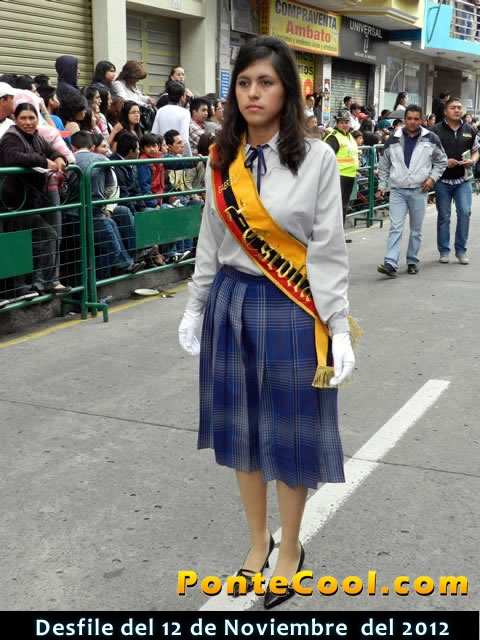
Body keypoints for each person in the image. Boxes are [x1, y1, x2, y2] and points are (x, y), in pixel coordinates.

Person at [177, 35, 356, 610]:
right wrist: (195, 303)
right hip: (231, 301)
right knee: (243, 430)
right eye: (244, 82)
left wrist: (339, 325)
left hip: (291, 308)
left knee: (291, 432)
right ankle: (259, 542)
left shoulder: (318, 158)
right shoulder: (220, 157)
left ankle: (291, 547)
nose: (253, 93)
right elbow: (211, 239)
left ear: (287, 92)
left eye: (266, 82)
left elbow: (327, 249)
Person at [0, 103, 71, 298]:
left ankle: (36, 285)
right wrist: (43, 161)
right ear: (15, 119)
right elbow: (14, 157)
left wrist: (59, 159)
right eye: (23, 118)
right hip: (12, 204)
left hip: (27, 203)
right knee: (27, 241)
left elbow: (52, 151)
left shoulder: (37, 137)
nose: (28, 122)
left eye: (32, 118)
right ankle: (23, 288)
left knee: (28, 241)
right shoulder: (11, 137)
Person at [376, 105, 447, 277]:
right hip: (398, 190)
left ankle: (412, 260)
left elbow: (441, 161)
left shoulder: (431, 138)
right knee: (395, 227)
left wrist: (432, 178)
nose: (412, 122)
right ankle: (390, 262)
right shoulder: (393, 138)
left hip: (419, 190)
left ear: (422, 120)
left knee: (416, 229)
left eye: (416, 119)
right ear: (405, 119)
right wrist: (382, 185)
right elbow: (384, 164)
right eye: (409, 118)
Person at [432, 97, 479, 265]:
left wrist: (472, 161)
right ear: (445, 111)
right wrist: (444, 162)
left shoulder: (470, 129)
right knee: (444, 216)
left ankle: (461, 251)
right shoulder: (435, 130)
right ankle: (444, 251)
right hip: (442, 181)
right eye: (453, 107)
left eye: (459, 107)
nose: (457, 110)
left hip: (463, 180)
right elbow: (428, 153)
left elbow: (476, 150)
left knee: (465, 213)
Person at [324, 110, 359, 244]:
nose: (345, 125)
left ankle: (339, 235)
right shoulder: (333, 137)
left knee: (343, 206)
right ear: (337, 123)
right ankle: (332, 237)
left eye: (347, 122)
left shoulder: (349, 136)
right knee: (335, 207)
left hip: (349, 176)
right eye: (342, 122)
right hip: (338, 176)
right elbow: (326, 157)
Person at [151, 81, 192, 156]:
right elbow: (184, 139)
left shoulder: (160, 111)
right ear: (182, 97)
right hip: (177, 155)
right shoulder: (185, 112)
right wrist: (189, 158)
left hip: (163, 154)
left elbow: (154, 134)